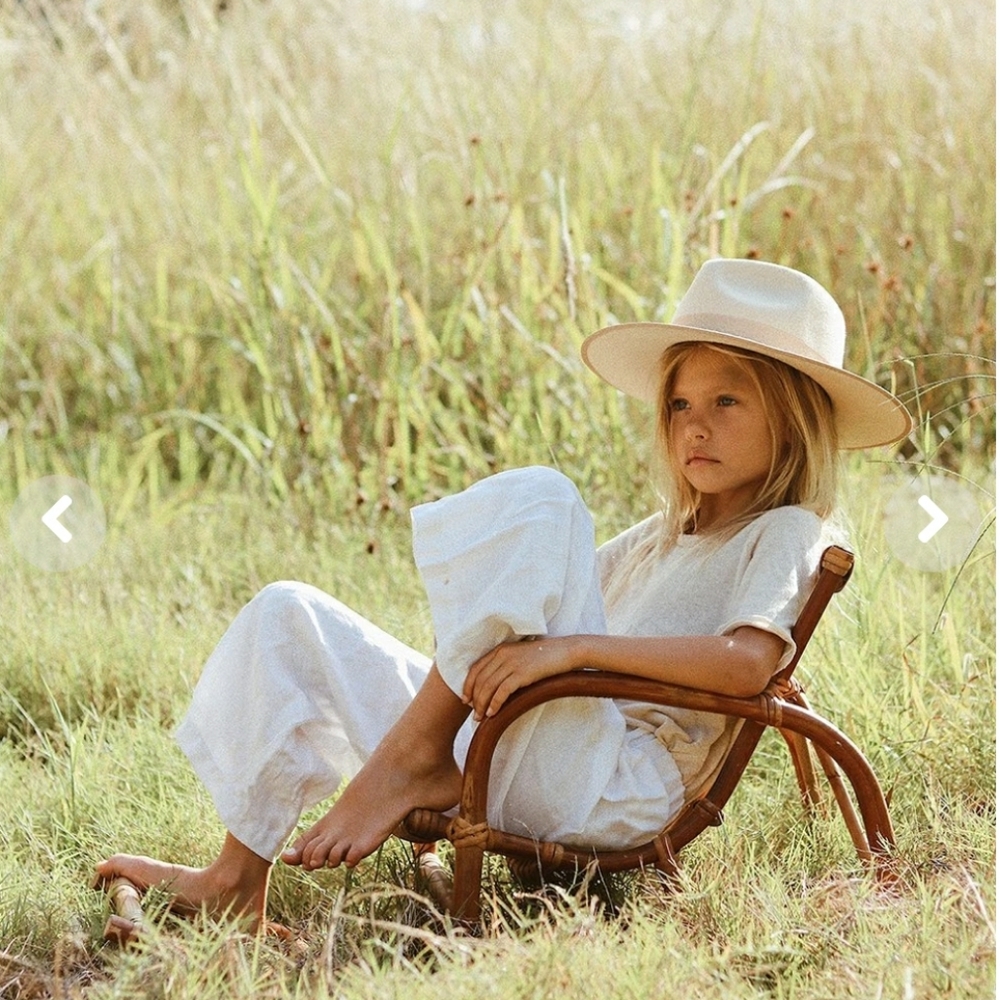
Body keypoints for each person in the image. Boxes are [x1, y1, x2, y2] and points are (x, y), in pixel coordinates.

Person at [95, 258, 911, 930]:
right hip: (536, 741)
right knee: (290, 612)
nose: (694, 426)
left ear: (794, 417)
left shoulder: (788, 529)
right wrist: (533, 643)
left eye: (726, 401)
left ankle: (413, 758)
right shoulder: (662, 537)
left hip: (615, 781)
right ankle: (237, 877)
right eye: (679, 404)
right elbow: (515, 617)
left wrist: (574, 649)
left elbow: (748, 664)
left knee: (546, 497)